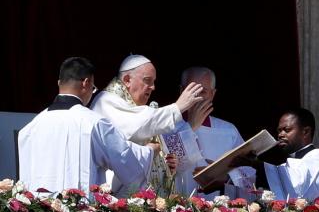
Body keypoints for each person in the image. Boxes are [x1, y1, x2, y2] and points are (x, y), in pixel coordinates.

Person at [18, 57, 158, 195]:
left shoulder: (30, 128)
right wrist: (149, 151)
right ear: (86, 83)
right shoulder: (93, 123)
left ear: (59, 83)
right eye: (93, 87)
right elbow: (123, 158)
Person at [90, 54, 203, 196]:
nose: (153, 87)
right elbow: (138, 126)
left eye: (154, 81)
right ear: (127, 80)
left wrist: (164, 164)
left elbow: (147, 135)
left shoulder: (142, 111)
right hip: (116, 194)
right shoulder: (107, 101)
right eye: (147, 81)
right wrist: (177, 107)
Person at [171, 67, 255, 198]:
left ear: (212, 94)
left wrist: (227, 177)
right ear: (181, 91)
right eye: (192, 90)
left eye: (203, 91)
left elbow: (248, 172)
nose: (197, 97)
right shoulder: (167, 125)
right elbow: (162, 167)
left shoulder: (228, 131)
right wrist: (190, 126)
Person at [256, 108, 319, 203]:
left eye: (286, 130)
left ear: (305, 132)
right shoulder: (285, 167)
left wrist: (257, 166)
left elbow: (298, 185)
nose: (280, 135)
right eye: (279, 131)